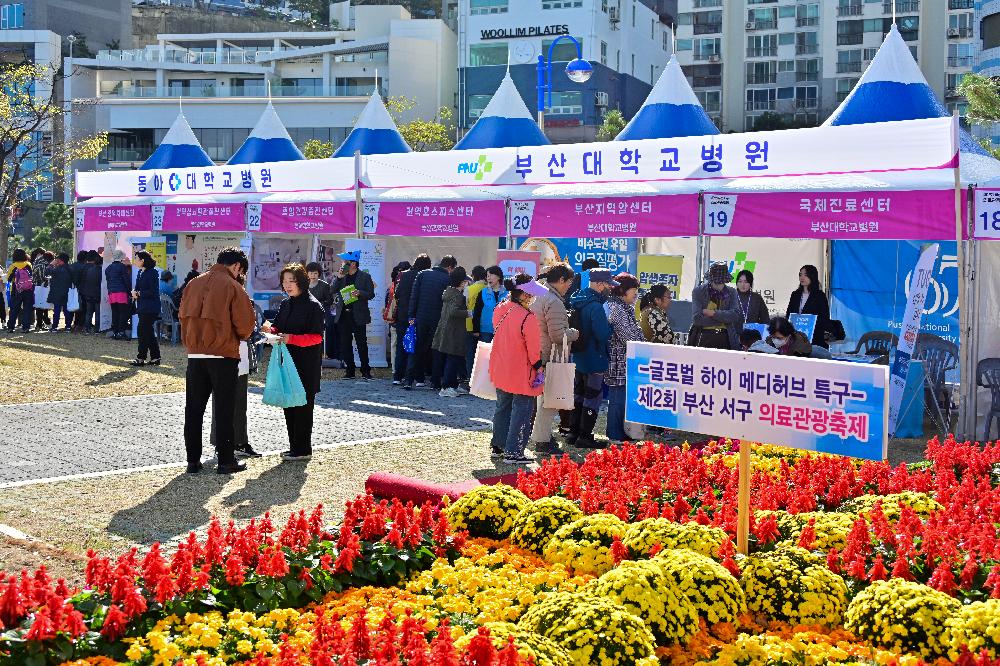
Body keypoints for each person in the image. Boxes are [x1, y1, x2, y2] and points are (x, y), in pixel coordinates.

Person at [179, 247, 257, 475]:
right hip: (223, 354)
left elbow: (181, 314)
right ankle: (225, 461)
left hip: (195, 354)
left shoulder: (194, 283)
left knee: (193, 409)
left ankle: (192, 460)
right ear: (237, 267)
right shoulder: (233, 286)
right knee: (224, 409)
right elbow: (245, 326)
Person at [489, 274, 547, 465]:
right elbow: (533, 351)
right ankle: (514, 452)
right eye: (530, 294)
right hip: (522, 371)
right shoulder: (528, 317)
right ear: (522, 294)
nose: (532, 298)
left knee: (503, 407)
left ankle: (498, 446)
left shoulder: (501, 308)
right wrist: (540, 368)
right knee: (522, 410)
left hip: (501, 366)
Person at [271, 263, 326, 462]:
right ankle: (294, 447)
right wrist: (270, 332)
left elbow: (316, 337)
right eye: (284, 281)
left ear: (301, 281)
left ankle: (303, 449)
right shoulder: (286, 304)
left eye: (291, 281)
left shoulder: (313, 305)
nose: (287, 285)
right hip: (287, 362)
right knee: (289, 404)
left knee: (303, 407)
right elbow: (278, 327)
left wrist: (291, 339)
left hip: (306, 365)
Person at [211, 258, 263, 459]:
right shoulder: (233, 294)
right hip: (231, 353)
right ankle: (229, 444)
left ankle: (230, 443)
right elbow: (247, 328)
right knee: (231, 401)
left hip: (227, 353)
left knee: (231, 401)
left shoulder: (216, 291)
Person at [527, 263, 578, 454]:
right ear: (562, 280)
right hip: (548, 356)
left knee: (537, 400)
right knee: (548, 402)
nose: (569, 286)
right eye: (569, 282)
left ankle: (536, 437)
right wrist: (574, 333)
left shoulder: (535, 294)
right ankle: (542, 440)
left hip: (533, 353)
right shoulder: (554, 301)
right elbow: (558, 336)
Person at [565, 270, 616, 449]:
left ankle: (573, 432)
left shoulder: (577, 299)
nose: (610, 288)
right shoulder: (596, 306)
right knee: (593, 396)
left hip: (578, 354)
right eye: (608, 284)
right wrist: (610, 327)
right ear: (600, 284)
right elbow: (602, 334)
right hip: (595, 355)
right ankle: (585, 436)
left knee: (578, 393)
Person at [405, 255, 457, 390]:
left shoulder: (422, 274)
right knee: (437, 350)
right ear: (450, 267)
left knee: (417, 348)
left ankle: (411, 379)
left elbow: (414, 296)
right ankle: (435, 381)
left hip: (420, 317)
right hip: (438, 319)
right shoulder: (448, 278)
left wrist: (411, 315)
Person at [604, 273, 645, 445]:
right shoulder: (616, 308)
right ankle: (615, 433)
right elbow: (627, 337)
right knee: (618, 397)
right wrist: (642, 342)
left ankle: (621, 432)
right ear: (622, 290)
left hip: (623, 359)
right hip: (618, 360)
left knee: (621, 396)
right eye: (633, 290)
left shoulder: (621, 306)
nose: (636, 294)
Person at [331, 251, 376, 380]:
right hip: (343, 315)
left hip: (358, 315)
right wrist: (339, 277)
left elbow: (371, 294)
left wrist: (359, 293)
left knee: (361, 343)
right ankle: (350, 370)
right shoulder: (341, 276)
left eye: (346, 262)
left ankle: (365, 370)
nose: (343, 264)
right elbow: (332, 290)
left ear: (354, 264)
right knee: (345, 344)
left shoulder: (365, 276)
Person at [432, 267, 470, 398]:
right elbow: (454, 312)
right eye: (465, 281)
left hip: (446, 329)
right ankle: (446, 387)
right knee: (452, 359)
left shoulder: (448, 292)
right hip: (454, 331)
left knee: (452, 358)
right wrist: (468, 313)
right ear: (462, 282)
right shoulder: (458, 296)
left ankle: (452, 385)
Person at [393, 254, 430, 385]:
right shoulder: (424, 276)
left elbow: (396, 294)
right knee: (417, 347)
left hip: (402, 316)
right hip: (417, 316)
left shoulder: (403, 275)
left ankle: (397, 376)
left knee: (401, 346)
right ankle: (419, 378)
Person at [690, 262, 741, 350]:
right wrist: (725, 319)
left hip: (726, 336)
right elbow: (697, 319)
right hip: (704, 335)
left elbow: (735, 315)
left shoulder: (732, 292)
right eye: (716, 282)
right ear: (711, 280)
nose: (719, 285)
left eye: (721, 282)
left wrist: (712, 313)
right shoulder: (698, 291)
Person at [785, 264, 831, 349]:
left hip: (814, 338)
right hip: (796, 337)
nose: (802, 277)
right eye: (800, 274)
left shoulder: (820, 296)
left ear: (812, 276)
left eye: (805, 275)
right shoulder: (795, 294)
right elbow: (789, 314)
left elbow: (824, 317)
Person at [129, 251, 162, 366]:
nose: (135, 261)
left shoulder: (152, 272)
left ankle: (141, 358)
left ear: (142, 260)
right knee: (148, 332)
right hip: (143, 306)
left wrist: (138, 294)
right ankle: (155, 357)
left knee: (142, 331)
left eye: (136, 259)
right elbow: (138, 287)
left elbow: (152, 291)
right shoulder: (140, 272)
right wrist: (134, 292)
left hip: (150, 307)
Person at [465, 265, 488, 380]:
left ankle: (470, 379)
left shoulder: (469, 289)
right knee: (482, 355)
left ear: (473, 276)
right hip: (484, 325)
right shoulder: (487, 289)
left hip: (468, 324)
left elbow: (464, 305)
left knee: (470, 354)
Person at [105, 250, 131, 340]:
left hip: (111, 293)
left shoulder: (108, 268)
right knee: (122, 313)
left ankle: (115, 332)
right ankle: (121, 332)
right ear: (121, 258)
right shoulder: (122, 267)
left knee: (115, 312)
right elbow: (126, 280)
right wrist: (129, 291)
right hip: (121, 292)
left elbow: (108, 280)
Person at [6, 249, 34, 333]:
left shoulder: (13, 266)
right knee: (27, 308)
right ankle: (26, 327)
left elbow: (8, 278)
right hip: (28, 289)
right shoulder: (28, 264)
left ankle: (11, 327)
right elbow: (31, 276)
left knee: (14, 308)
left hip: (16, 289)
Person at [43, 253, 72, 333]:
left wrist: (51, 264)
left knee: (57, 311)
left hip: (57, 293)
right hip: (67, 292)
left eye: (57, 259)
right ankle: (68, 327)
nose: (56, 260)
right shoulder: (70, 268)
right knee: (66, 311)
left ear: (60, 260)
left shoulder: (57, 269)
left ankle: (55, 327)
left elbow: (47, 272)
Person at [78, 251, 103, 334]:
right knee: (98, 313)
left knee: (88, 313)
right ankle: (97, 329)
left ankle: (87, 328)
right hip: (98, 294)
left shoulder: (89, 270)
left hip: (88, 294)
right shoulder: (102, 271)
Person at [67, 250, 89, 332]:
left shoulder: (71, 266)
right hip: (81, 289)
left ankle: (72, 324)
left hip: (71, 289)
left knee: (72, 307)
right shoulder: (84, 267)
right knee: (82, 308)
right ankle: (80, 324)